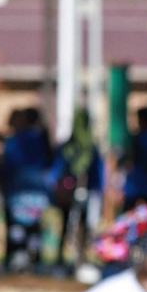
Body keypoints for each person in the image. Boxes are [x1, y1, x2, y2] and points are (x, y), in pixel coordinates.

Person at [0, 107, 56, 271]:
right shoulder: (42, 139)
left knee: (17, 226)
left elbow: (9, 163)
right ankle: (36, 259)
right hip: (38, 190)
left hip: (19, 189)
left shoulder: (17, 139)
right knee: (34, 227)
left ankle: (18, 257)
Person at [52, 109, 104, 269]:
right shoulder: (90, 147)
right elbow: (97, 173)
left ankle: (62, 258)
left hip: (69, 191)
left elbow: (57, 169)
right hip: (84, 191)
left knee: (67, 224)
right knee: (82, 225)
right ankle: (79, 259)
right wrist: (98, 190)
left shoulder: (68, 146)